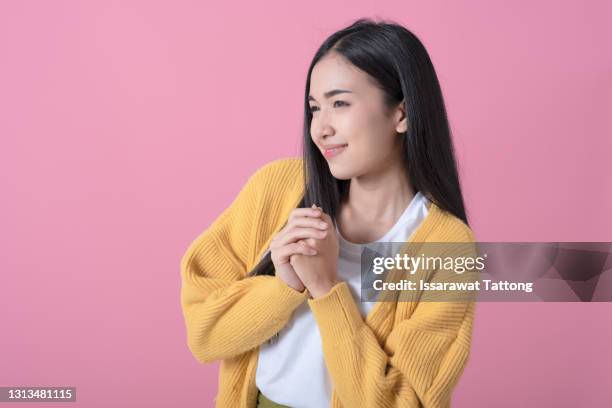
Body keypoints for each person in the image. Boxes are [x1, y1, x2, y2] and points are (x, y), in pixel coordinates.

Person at [180, 18, 477, 408]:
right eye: (314, 108)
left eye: (339, 103)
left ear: (401, 114)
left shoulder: (448, 246)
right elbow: (204, 335)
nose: (320, 128)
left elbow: (402, 402)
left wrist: (325, 289)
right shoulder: (277, 188)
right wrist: (285, 287)